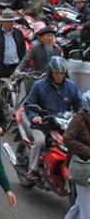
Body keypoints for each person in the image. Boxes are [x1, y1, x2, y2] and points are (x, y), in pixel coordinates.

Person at [24, 56, 82, 181]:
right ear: (50, 72)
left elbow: (80, 105)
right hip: (43, 124)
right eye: (56, 73)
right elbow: (29, 104)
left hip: (64, 123)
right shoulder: (39, 86)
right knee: (40, 142)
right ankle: (32, 170)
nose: (59, 76)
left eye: (62, 73)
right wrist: (34, 116)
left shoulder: (71, 86)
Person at [63, 90, 90, 219]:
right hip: (82, 167)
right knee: (87, 206)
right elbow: (67, 138)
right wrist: (87, 151)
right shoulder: (79, 119)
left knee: (81, 203)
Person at [0, 8, 26, 82]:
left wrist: (21, 66)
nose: (9, 24)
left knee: (16, 87)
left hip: (15, 67)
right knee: (1, 87)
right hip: (1, 68)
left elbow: (23, 50)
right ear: (2, 22)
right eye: (7, 22)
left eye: (11, 21)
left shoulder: (18, 33)